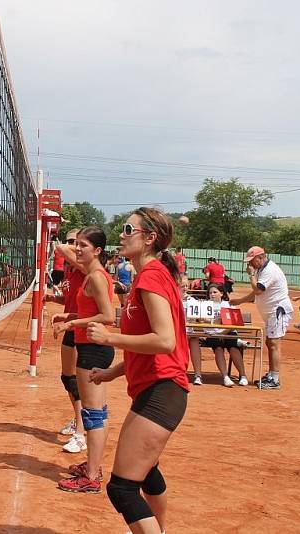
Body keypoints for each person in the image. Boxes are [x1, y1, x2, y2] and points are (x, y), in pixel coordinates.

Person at [85, 207, 189, 534]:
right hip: (155, 389)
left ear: (149, 238)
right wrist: (113, 373)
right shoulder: (149, 275)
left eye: (129, 229)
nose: (121, 234)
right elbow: (149, 347)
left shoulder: (152, 276)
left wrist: (109, 337)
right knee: (148, 472)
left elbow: (164, 341)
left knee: (122, 489)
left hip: (163, 391)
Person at [52, 227, 116, 493]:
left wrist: (74, 323)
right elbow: (92, 309)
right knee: (96, 411)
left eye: (84, 246)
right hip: (89, 346)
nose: (78, 249)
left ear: (98, 250)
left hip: (93, 349)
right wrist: (69, 318)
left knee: (93, 414)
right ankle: (92, 465)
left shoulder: (97, 277)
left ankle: (91, 476)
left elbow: (108, 316)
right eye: (77, 244)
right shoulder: (91, 275)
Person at [230, 246, 292, 389]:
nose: (250, 264)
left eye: (252, 261)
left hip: (278, 310)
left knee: (274, 343)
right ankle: (271, 374)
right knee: (270, 342)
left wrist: (251, 275)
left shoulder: (269, 270)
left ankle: (275, 379)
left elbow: (257, 290)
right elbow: (256, 292)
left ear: (261, 257)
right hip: (271, 313)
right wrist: (239, 301)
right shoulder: (262, 269)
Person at [48, 229, 87, 453]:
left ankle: (81, 432)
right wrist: (54, 298)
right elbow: (71, 299)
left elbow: (61, 249)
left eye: (78, 242)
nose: (73, 246)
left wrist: (61, 243)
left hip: (83, 327)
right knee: (67, 378)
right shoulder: (71, 271)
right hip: (70, 325)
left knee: (79, 382)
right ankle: (78, 418)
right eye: (72, 241)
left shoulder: (84, 267)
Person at [190, 284, 247, 387]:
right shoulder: (205, 305)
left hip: (228, 332)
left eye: (215, 292)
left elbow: (234, 322)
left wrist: (223, 332)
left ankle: (243, 376)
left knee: (234, 347)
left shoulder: (228, 304)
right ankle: (225, 376)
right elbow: (199, 321)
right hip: (212, 334)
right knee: (218, 348)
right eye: (210, 292)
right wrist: (204, 321)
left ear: (221, 293)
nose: (212, 294)